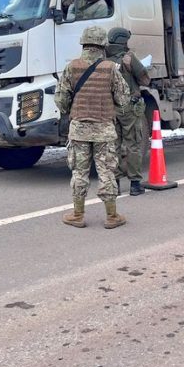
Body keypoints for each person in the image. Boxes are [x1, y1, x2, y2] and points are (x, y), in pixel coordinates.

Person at [55, 25, 131, 228]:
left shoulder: (72, 67)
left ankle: (77, 215)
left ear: (83, 43)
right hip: (104, 131)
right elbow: (123, 99)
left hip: (79, 129)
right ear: (103, 45)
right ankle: (112, 216)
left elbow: (61, 101)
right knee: (106, 172)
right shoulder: (110, 69)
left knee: (79, 172)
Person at [106, 28, 151, 196]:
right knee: (133, 144)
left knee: (113, 146)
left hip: (110, 108)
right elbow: (145, 79)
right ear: (124, 41)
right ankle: (135, 184)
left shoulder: (104, 60)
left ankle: (115, 185)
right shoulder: (128, 58)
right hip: (129, 108)